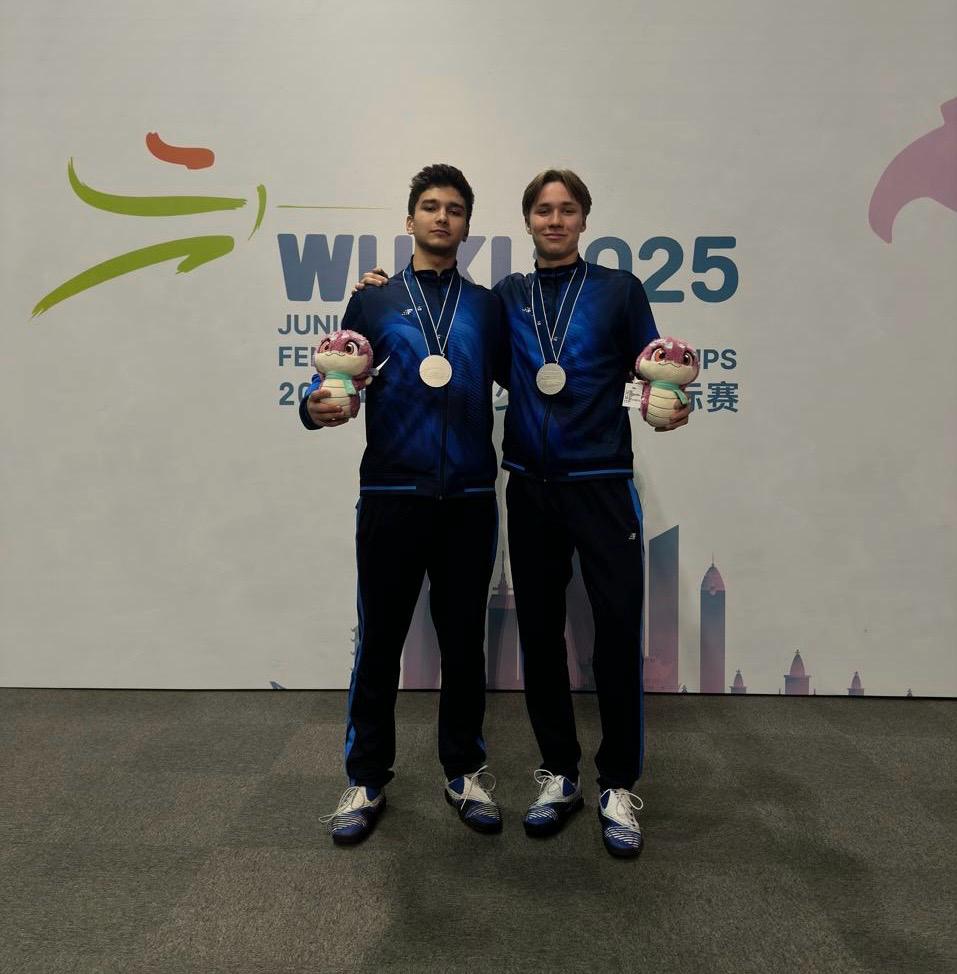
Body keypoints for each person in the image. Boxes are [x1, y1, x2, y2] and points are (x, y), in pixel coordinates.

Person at [301, 164, 507, 845]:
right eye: (430, 206)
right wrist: (313, 408)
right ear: (410, 219)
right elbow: (335, 382)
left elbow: (533, 384)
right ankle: (365, 778)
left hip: (469, 499)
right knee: (380, 641)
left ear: (467, 226)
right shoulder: (373, 302)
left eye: (454, 209)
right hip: (391, 494)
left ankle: (464, 771)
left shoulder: (487, 308)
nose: (442, 217)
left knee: (463, 643)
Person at [493, 169, 689, 858]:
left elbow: (656, 371)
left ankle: (617, 783)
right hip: (529, 485)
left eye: (567, 209)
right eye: (543, 209)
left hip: (602, 482)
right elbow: (475, 358)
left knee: (615, 632)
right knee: (540, 632)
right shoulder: (508, 297)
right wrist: (374, 289)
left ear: (584, 219)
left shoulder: (618, 290)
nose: (555, 220)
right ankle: (558, 773)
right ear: (527, 219)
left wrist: (673, 405)